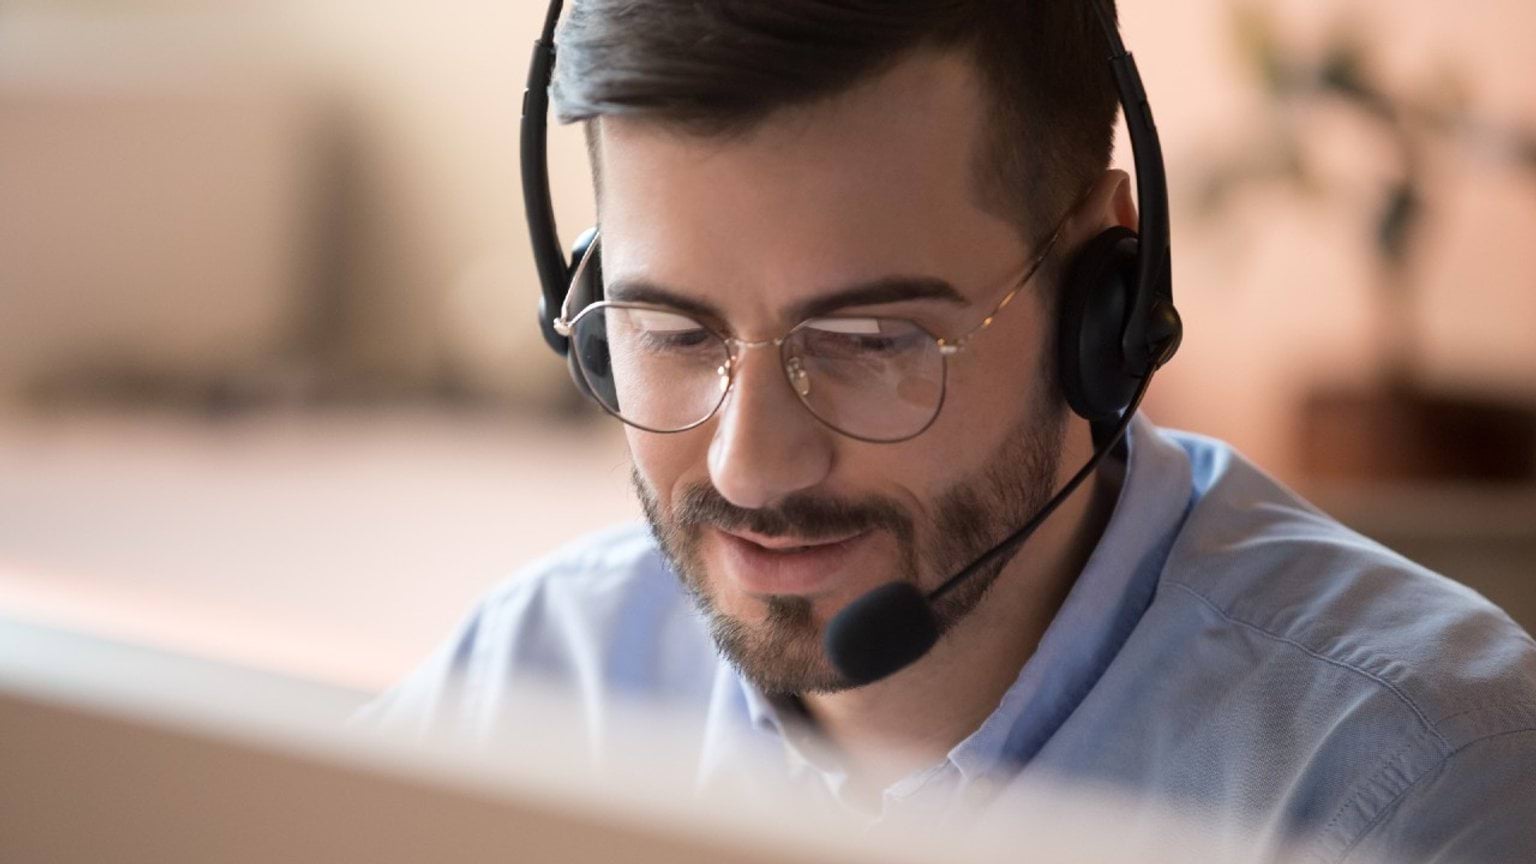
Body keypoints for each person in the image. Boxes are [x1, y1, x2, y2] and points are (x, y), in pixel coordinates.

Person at [362, 1, 1536, 860]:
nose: (751, 466)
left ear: (1104, 301)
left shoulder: (1413, 789)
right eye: (669, 330)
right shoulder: (531, 681)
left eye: (870, 341)